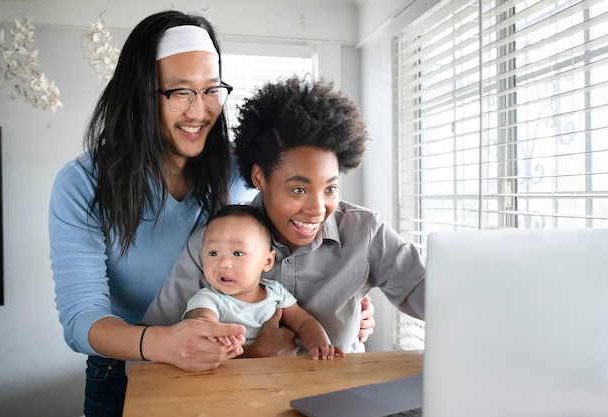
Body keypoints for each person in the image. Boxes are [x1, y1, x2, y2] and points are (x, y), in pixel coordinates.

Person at [48, 11, 256, 417]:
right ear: (142, 95)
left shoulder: (239, 172)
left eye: (211, 90)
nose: (200, 112)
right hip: (122, 375)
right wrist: (164, 343)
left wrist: (337, 293)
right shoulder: (81, 185)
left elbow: (291, 237)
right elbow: (81, 318)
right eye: (180, 92)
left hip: (231, 365)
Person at [143, 76, 425, 356]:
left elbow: (433, 298)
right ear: (259, 177)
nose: (317, 209)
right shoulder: (214, 243)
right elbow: (155, 352)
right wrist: (252, 358)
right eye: (299, 189)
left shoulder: (365, 233)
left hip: (338, 395)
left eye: (330, 188)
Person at [185, 204, 345, 360]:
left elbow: (304, 322)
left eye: (238, 253)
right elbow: (202, 323)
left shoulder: (275, 293)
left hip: (277, 381)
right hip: (230, 380)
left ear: (267, 262)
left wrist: (319, 343)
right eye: (213, 253)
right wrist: (209, 331)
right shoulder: (209, 299)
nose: (224, 263)